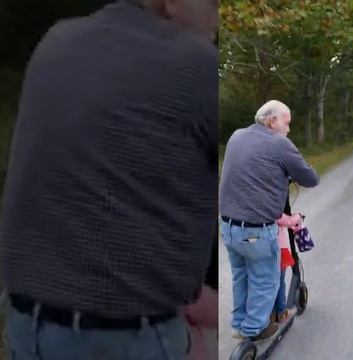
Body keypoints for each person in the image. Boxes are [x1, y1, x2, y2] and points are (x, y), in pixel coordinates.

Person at [0, 0, 218, 358]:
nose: (217, 22)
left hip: (29, 329)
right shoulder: (195, 63)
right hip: (122, 338)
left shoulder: (57, 40)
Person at [219, 100, 319, 340]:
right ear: (272, 121)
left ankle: (239, 324)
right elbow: (309, 178)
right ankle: (255, 329)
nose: (289, 129)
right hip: (256, 230)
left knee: (241, 276)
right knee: (266, 280)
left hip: (228, 225)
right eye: (287, 122)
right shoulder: (279, 143)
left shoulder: (237, 136)